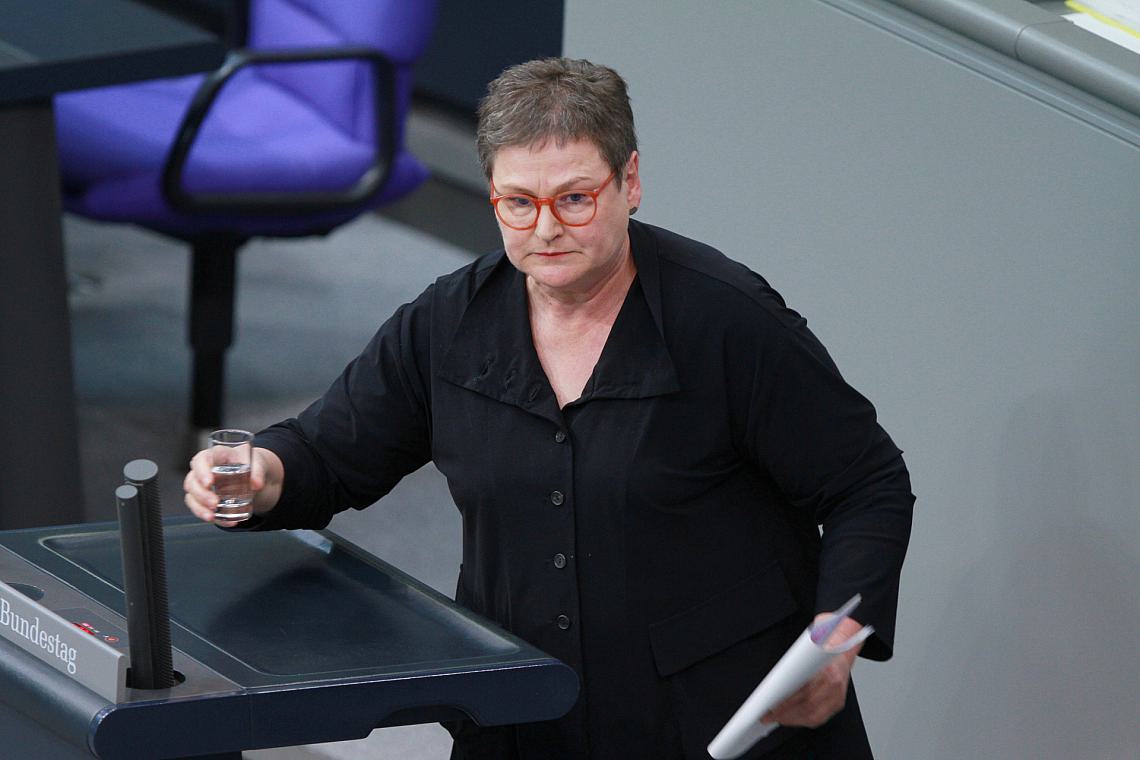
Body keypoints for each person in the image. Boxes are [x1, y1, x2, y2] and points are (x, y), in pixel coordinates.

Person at [184, 57, 914, 759]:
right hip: (525, 711)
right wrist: (262, 473)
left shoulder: (726, 319)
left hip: (711, 712)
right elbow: (327, 452)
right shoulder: (448, 321)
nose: (545, 229)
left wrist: (834, 641)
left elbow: (866, 483)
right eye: (518, 203)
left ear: (630, 181)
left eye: (574, 198)